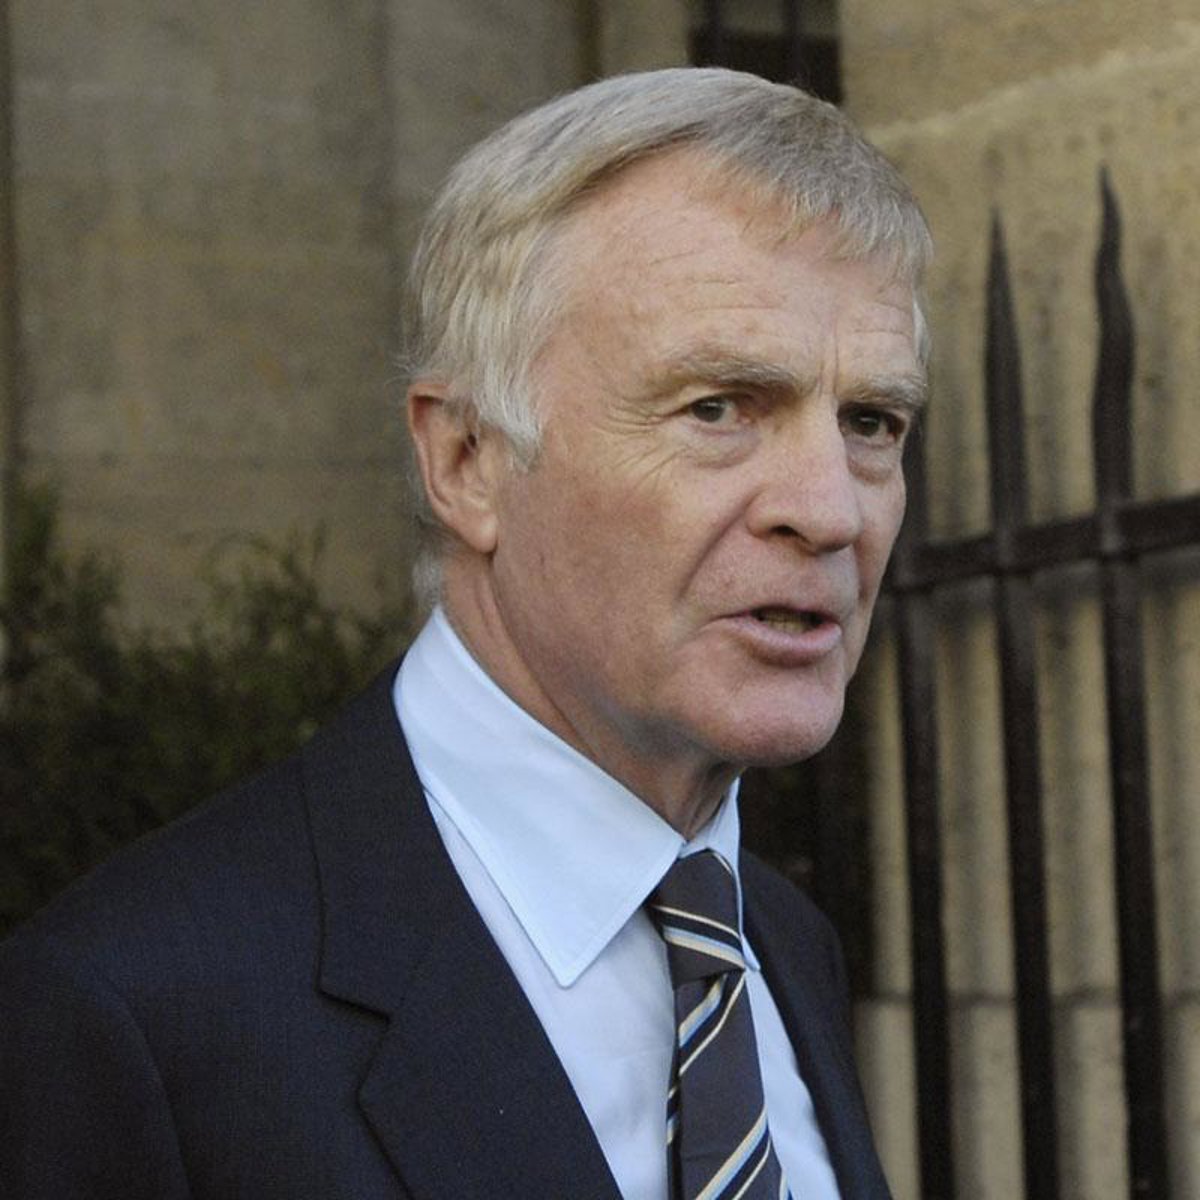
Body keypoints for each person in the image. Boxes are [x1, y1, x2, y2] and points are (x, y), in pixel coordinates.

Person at [0, 67, 930, 1200]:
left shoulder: (781, 941)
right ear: (467, 462)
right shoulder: (131, 1014)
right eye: (717, 407)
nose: (831, 511)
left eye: (871, 421)